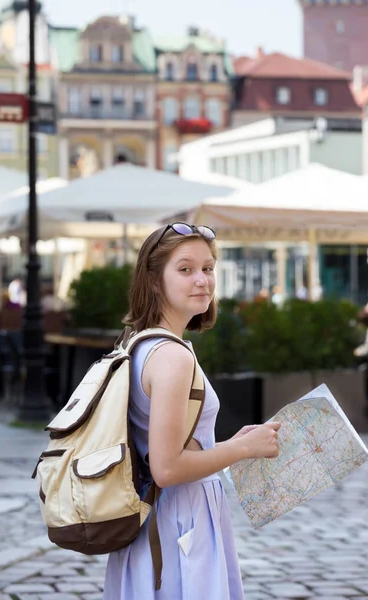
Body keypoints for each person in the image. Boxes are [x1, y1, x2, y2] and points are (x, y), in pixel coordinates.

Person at [103, 222, 281, 600]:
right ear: (154, 281)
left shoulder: (139, 343)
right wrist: (244, 450)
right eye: (185, 269)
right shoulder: (172, 355)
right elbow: (166, 469)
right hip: (179, 523)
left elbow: (168, 444)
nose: (202, 280)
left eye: (208, 268)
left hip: (158, 523)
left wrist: (222, 444)